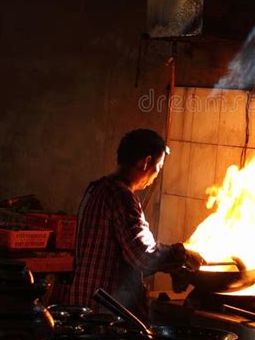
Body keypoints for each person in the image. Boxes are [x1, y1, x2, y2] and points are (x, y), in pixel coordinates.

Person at [68, 128, 205, 317]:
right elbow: (143, 256)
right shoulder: (122, 197)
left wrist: (172, 268)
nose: (157, 174)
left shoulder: (96, 189)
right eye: (158, 167)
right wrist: (182, 253)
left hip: (83, 305)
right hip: (106, 315)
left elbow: (121, 252)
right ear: (146, 162)